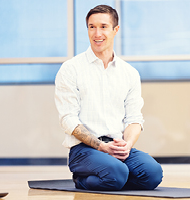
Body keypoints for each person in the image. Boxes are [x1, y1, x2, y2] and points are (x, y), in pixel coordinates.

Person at [55, 4, 163, 191]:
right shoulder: (71, 69)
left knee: (153, 174)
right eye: (92, 27)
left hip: (116, 146)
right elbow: (68, 120)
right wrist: (100, 146)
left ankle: (114, 176)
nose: (97, 33)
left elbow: (134, 119)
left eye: (103, 27)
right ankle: (83, 179)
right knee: (116, 173)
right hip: (84, 150)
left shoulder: (129, 73)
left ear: (115, 30)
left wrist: (126, 145)